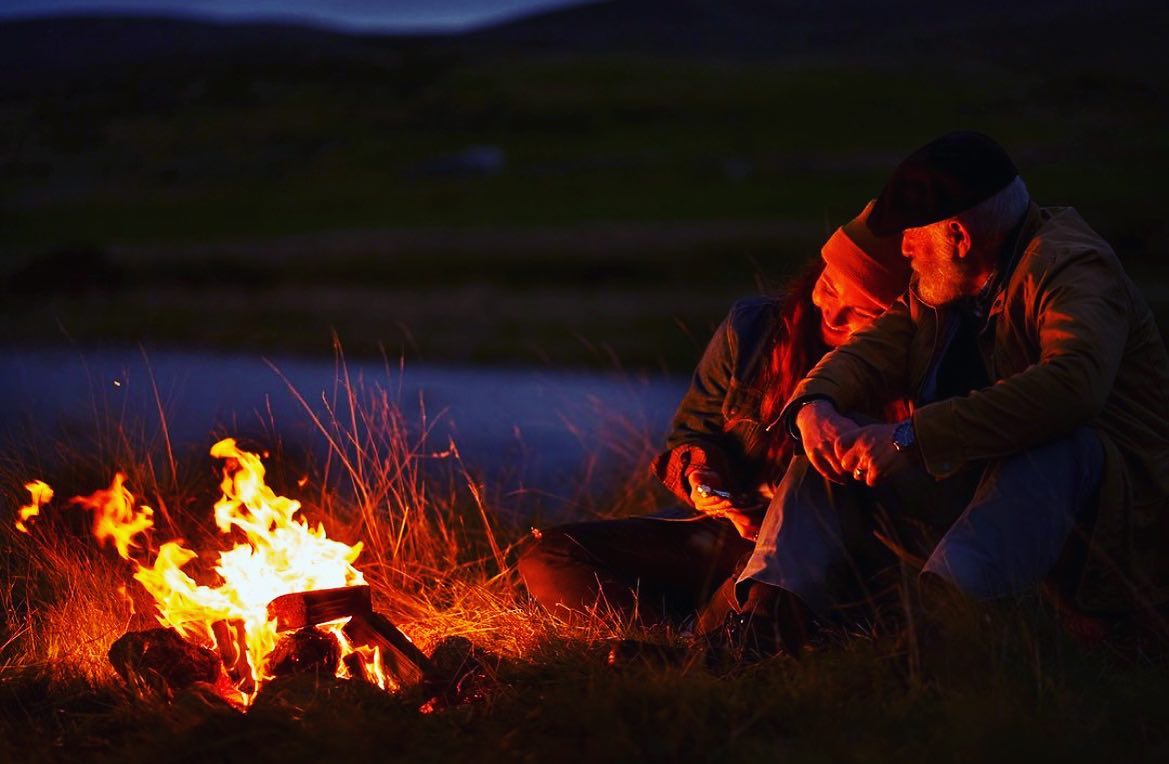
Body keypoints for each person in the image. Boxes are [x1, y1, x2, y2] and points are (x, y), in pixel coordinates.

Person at [726, 131, 1169, 653]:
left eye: (914, 234)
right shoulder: (949, 285)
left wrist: (912, 436)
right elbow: (871, 351)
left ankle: (936, 642)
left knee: (1063, 443)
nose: (904, 249)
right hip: (1000, 505)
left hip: (1117, 532)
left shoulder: (1072, 267)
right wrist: (814, 406)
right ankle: (760, 631)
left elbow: (1073, 386)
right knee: (832, 456)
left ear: (958, 236)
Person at [518, 201, 911, 626]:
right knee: (551, 557)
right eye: (829, 288)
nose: (831, 313)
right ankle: (665, 645)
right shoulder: (754, 330)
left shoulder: (911, 367)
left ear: (896, 318)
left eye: (861, 312)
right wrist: (703, 479)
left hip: (816, 553)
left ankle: (697, 647)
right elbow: (692, 433)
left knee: (752, 590)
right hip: (725, 534)